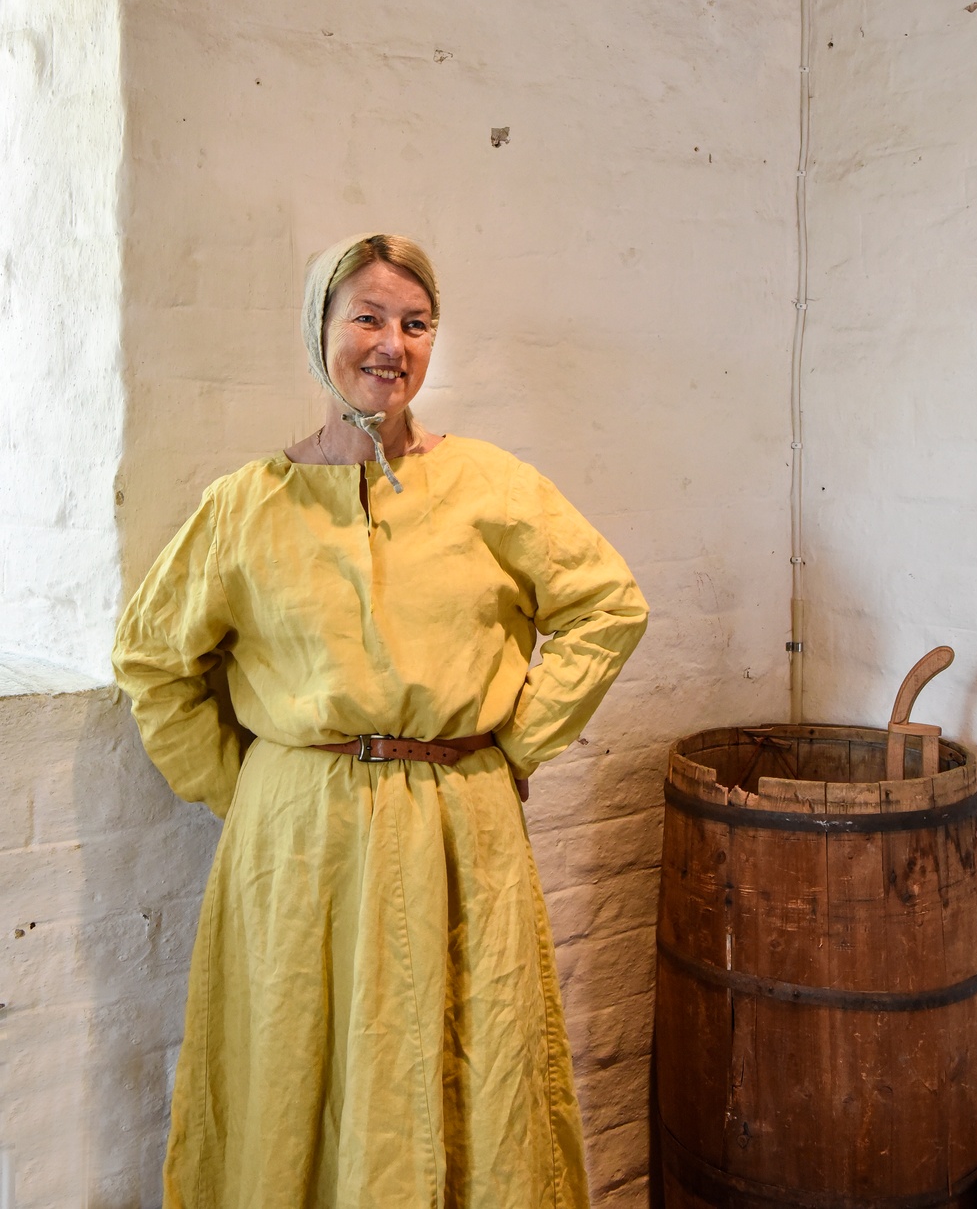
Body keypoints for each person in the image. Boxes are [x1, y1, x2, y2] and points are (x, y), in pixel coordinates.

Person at [112, 233, 648, 1209]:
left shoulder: (491, 485)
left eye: (415, 321)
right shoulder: (247, 505)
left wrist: (517, 743)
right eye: (365, 314)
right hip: (299, 840)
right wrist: (249, 788)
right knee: (293, 1063)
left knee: (467, 1052)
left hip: (458, 832)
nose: (390, 342)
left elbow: (606, 605)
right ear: (319, 330)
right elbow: (154, 659)